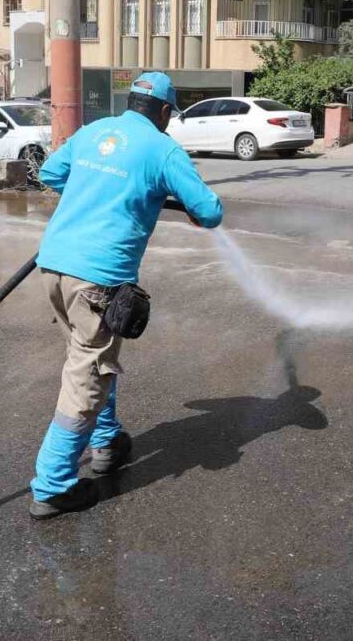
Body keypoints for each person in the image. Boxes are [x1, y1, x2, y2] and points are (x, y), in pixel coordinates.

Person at [29, 71, 223, 520]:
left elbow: (50, 172)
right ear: (162, 111)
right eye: (169, 115)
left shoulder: (95, 131)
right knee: (87, 375)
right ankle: (53, 485)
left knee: (90, 355)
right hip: (98, 278)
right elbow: (210, 211)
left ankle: (107, 440)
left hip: (54, 265)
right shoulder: (162, 148)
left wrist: (93, 196)